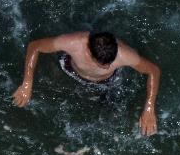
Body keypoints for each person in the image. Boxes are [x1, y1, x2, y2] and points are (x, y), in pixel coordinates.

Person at [12, 31, 161, 135]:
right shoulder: (74, 43)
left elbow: (153, 71)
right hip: (69, 70)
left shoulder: (125, 54)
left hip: (106, 83)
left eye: (110, 62)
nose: (108, 67)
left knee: (111, 117)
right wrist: (27, 83)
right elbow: (35, 46)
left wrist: (149, 107)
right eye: (103, 64)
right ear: (89, 52)